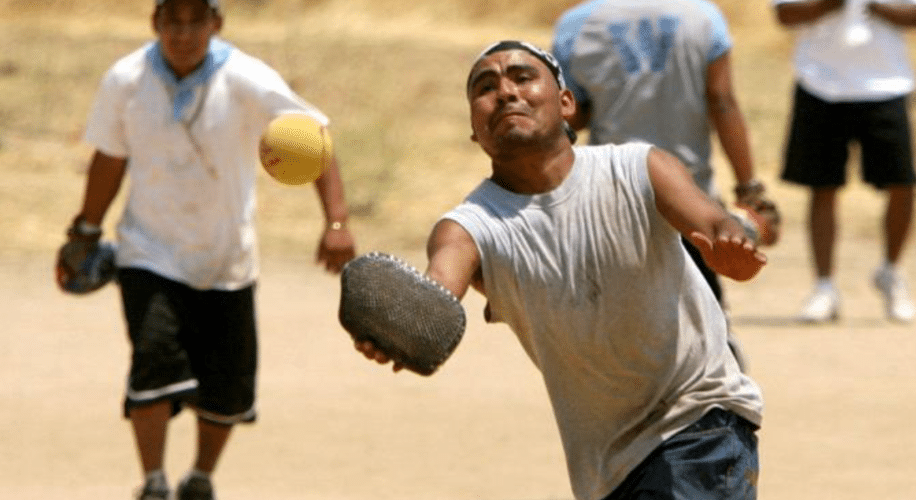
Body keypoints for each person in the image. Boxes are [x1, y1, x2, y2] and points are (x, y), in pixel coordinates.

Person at [356, 41, 764, 500]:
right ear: (475, 128)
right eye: (486, 88)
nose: (507, 92)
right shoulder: (469, 228)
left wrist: (733, 246)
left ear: (567, 103)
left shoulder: (636, 169)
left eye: (522, 77)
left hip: (698, 421)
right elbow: (435, 299)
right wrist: (398, 330)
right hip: (605, 469)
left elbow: (715, 224)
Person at [58, 0, 356, 499]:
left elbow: (312, 136)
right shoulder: (126, 79)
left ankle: (200, 480)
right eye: (172, 20)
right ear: (156, 23)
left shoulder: (246, 79)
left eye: (195, 20)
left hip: (226, 258)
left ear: (216, 24)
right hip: (147, 250)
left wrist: (337, 221)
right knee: (152, 361)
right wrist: (85, 229)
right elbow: (109, 157)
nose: (183, 32)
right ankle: (153, 482)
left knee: (228, 386)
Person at [550, 0, 777, 319]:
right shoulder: (703, 16)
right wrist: (747, 187)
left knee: (619, 316)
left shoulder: (576, 25)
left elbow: (569, 115)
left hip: (611, 195)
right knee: (703, 315)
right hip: (691, 198)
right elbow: (721, 102)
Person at [773, 0, 916, 323]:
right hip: (819, 82)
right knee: (823, 185)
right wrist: (830, 4)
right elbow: (784, 14)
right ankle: (824, 287)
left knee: (902, 182)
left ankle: (891, 272)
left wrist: (876, 7)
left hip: (886, 84)